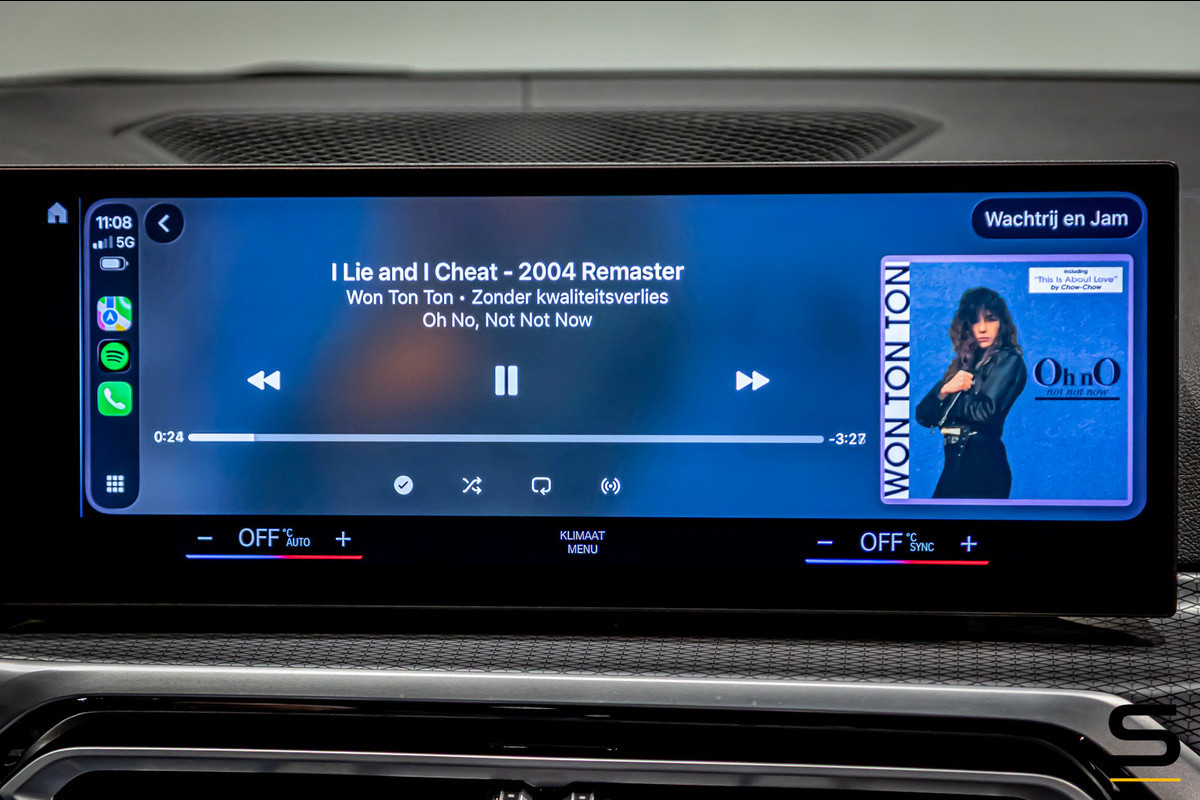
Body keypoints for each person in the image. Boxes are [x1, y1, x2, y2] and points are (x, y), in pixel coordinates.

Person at [915, 287, 1026, 499]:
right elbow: (923, 416)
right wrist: (945, 389)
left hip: (984, 466)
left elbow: (986, 412)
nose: (982, 329)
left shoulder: (1009, 361)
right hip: (955, 465)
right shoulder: (966, 363)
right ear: (967, 326)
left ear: (1002, 324)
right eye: (975, 321)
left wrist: (948, 402)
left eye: (990, 319)